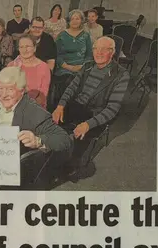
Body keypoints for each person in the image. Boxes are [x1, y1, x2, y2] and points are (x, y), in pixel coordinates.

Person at [51, 36, 129, 175]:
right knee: (50, 121)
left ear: (112, 52)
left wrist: (88, 124)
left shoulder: (121, 75)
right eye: (96, 49)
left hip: (95, 113)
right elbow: (71, 88)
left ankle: (68, 165)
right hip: (77, 106)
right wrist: (60, 106)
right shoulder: (87, 66)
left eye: (104, 50)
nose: (98, 53)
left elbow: (112, 109)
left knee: (77, 145)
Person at [0, 66, 72, 156]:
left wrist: (38, 141)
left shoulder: (33, 111)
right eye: (1, 89)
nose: (3, 95)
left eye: (10, 89)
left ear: (22, 91)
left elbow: (64, 139)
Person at [51, 9, 93, 112]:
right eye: (72, 19)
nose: (75, 21)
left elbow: (89, 55)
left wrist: (82, 66)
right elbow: (57, 55)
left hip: (82, 66)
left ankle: (76, 111)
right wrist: (68, 66)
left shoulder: (86, 35)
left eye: (77, 18)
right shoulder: (62, 35)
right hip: (64, 67)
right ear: (68, 21)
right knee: (68, 80)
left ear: (81, 21)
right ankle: (62, 110)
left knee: (80, 80)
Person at [7, 35, 51, 108]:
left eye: (27, 46)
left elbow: (43, 96)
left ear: (34, 48)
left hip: (36, 108)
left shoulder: (44, 67)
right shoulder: (11, 66)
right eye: (21, 47)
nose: (24, 50)